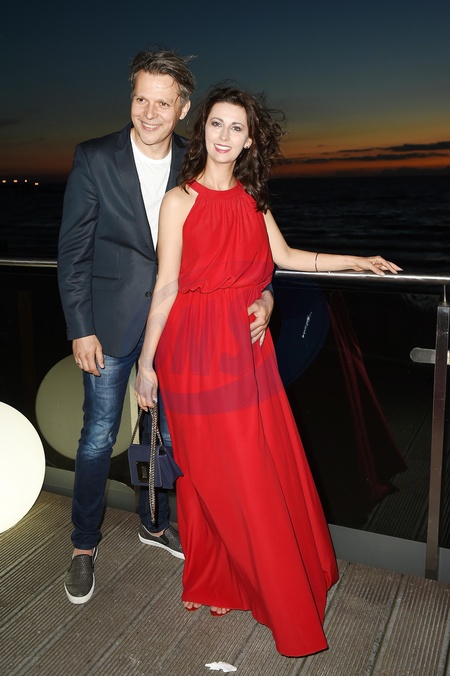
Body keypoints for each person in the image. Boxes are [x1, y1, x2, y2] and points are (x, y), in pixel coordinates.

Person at [135, 84, 402, 656]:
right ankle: (217, 576)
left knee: (248, 471)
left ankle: (237, 580)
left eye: (237, 128)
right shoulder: (179, 200)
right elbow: (166, 286)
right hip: (190, 352)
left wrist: (353, 261)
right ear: (202, 129)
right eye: (216, 124)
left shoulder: (253, 201)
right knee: (206, 472)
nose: (224, 136)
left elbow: (285, 260)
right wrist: (146, 363)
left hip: (244, 352)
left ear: (250, 141)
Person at [57, 50, 276, 605]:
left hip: (181, 331)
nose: (149, 112)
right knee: (97, 436)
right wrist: (81, 328)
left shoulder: (197, 160)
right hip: (108, 327)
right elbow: (73, 253)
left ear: (182, 108)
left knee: (174, 439)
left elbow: (244, 239)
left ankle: (154, 522)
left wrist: (267, 295)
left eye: (163, 103)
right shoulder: (94, 157)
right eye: (140, 99)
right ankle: (83, 544)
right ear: (131, 99)